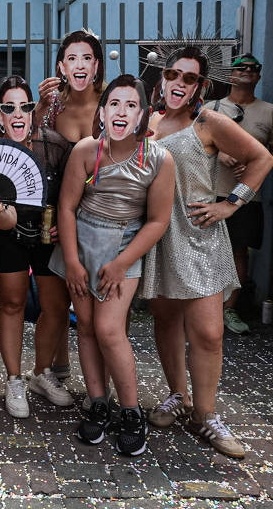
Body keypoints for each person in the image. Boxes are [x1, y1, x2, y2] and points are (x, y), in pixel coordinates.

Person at [140, 46, 273, 459]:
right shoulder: (147, 122)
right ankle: (177, 396)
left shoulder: (209, 121)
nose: (179, 83)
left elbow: (261, 157)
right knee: (165, 321)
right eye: (173, 74)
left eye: (190, 78)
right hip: (157, 238)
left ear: (201, 85)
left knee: (209, 333)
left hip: (199, 234)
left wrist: (230, 203)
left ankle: (207, 414)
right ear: (162, 77)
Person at [49, 75, 175, 456]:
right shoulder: (87, 150)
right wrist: (71, 261)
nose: (121, 111)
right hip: (81, 242)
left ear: (142, 115)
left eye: (130, 105)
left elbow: (158, 221)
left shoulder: (158, 160)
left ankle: (131, 411)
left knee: (109, 329)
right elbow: (67, 207)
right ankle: (99, 403)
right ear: (103, 112)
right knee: (85, 325)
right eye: (114, 104)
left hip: (124, 247)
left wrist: (122, 263)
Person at [0, 75, 75, 418]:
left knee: (56, 306)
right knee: (13, 302)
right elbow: (1, 220)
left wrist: (65, 221)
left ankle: (42, 374)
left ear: (33, 110)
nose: (18, 114)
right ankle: (14, 378)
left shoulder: (56, 145)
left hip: (49, 234)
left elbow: (76, 192)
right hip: (8, 232)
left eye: (25, 106)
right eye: (9, 107)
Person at [36, 29, 107, 385]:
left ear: (97, 65)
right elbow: (33, 154)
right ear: (61, 66)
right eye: (72, 58)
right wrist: (38, 109)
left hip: (102, 217)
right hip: (58, 213)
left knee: (100, 310)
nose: (79, 65)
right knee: (57, 298)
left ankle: (102, 383)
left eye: (87, 58)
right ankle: (59, 367)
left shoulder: (113, 102)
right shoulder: (53, 107)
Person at [205, 53, 273, 335]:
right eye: (240, 68)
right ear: (230, 75)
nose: (246, 71)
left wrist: (257, 159)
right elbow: (193, 148)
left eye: (253, 68)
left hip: (246, 196)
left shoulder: (268, 112)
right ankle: (204, 308)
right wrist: (219, 153)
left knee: (238, 251)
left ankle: (229, 309)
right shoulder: (212, 108)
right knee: (206, 251)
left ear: (259, 76)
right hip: (211, 192)